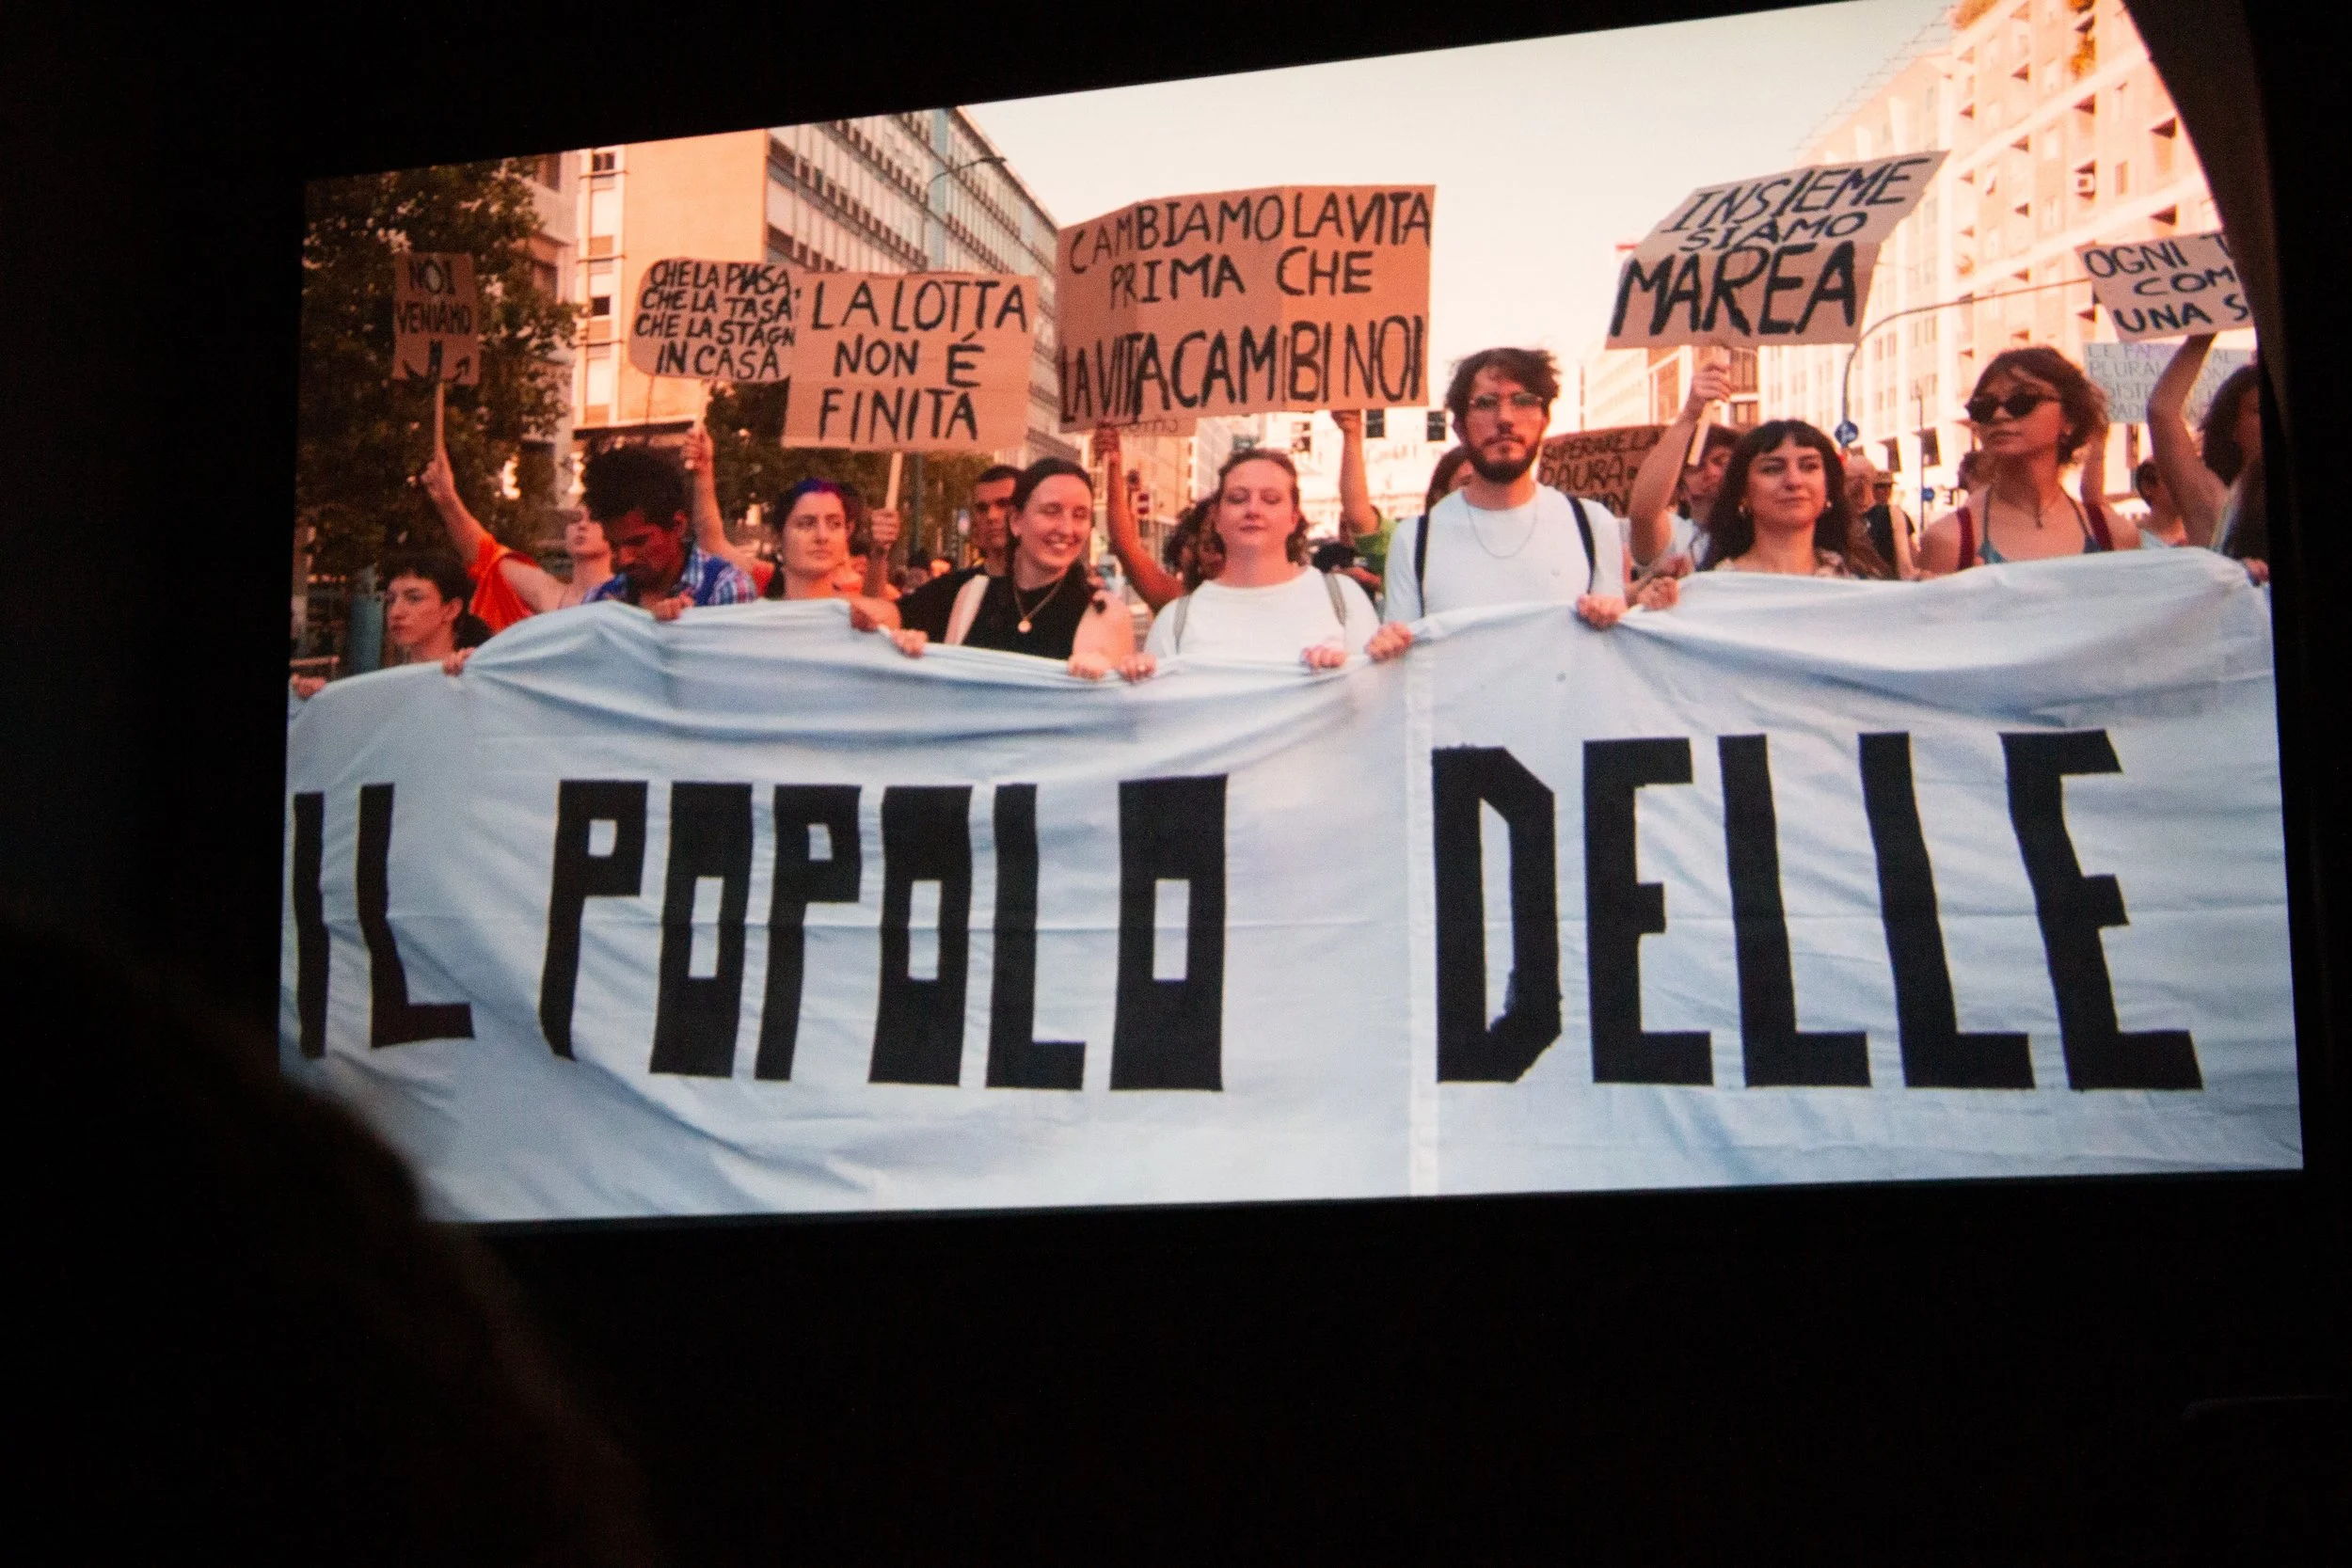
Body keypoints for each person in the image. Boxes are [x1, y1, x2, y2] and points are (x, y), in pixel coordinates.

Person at [1382, 347, 1670, 648]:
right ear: (1460, 427)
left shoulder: (1592, 524)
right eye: (1485, 403)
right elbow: (1403, 658)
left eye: (1522, 401)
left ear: (1544, 419)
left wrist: (1616, 613)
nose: (1505, 418)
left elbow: (1609, 647)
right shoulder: (1415, 539)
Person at [1113, 448, 1403, 681]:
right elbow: (1156, 725)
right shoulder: (1176, 621)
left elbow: (1377, 710)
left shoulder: (1342, 599)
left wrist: (1350, 676)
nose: (1253, 509)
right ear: (1217, 517)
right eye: (1238, 499)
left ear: (1293, 518)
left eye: (1271, 499)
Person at [888, 458, 1134, 676]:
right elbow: (878, 617)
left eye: (1080, 515)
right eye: (1051, 511)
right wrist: (903, 643)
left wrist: (1117, 672)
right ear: (1016, 521)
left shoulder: (1104, 611)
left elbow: (1113, 706)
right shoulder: (967, 593)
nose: (1066, 529)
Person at [1915, 346, 2139, 573]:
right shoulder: (1950, 540)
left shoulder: (2114, 536)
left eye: (2022, 401)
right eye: (1984, 407)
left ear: (2070, 419)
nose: (1999, 415)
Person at [419, 448, 612, 629]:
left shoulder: (624, 594)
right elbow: (486, 555)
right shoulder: (547, 592)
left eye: (594, 519)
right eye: (575, 518)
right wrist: (448, 499)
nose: (582, 525)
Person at [1697, 421, 1895, 578]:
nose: (1794, 481)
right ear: (1742, 490)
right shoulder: (1713, 589)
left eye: (1809, 466)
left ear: (1828, 485)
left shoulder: (1861, 583)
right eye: (1772, 469)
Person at [580, 443, 755, 616]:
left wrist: (691, 626)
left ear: (678, 526)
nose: (625, 559)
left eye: (638, 542)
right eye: (614, 545)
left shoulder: (726, 588)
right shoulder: (599, 601)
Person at [2147, 334, 2263, 554]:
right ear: (2232, 427)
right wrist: (2203, 331)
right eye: (2259, 411)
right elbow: (2162, 412)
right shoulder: (2216, 499)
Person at [1627, 358, 1740, 575]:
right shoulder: (1675, 536)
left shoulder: (1763, 533)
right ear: (1678, 488)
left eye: (1722, 462)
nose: (1711, 473)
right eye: (1695, 467)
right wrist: (1689, 415)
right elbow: (1643, 515)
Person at [898, 464, 1022, 636]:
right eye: (982, 508)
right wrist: (879, 553)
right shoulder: (950, 590)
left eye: (1003, 504)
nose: (992, 516)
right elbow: (882, 619)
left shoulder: (1055, 592)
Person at [1094, 424, 1187, 611]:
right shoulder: (1184, 600)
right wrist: (1114, 465)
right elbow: (1127, 545)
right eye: (1205, 544)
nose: (1214, 555)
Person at [2134, 459, 2187, 547]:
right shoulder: (2132, 541)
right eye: (2176, 478)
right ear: (2147, 487)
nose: (2186, 487)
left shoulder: (2202, 536)